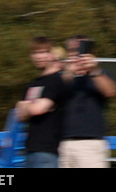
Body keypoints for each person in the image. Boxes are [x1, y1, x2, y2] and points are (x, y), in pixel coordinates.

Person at [59, 35, 116, 168]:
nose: (75, 54)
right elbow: (55, 93)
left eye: (79, 50)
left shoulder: (101, 74)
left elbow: (111, 92)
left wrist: (93, 70)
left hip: (90, 143)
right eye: (71, 50)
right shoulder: (63, 77)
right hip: (64, 143)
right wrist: (69, 72)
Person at [16, 36, 69, 168]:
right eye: (35, 53)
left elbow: (37, 109)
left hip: (48, 150)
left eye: (43, 52)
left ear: (52, 54)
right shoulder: (33, 84)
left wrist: (27, 106)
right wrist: (30, 107)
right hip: (30, 148)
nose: (39, 56)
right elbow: (20, 116)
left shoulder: (57, 80)